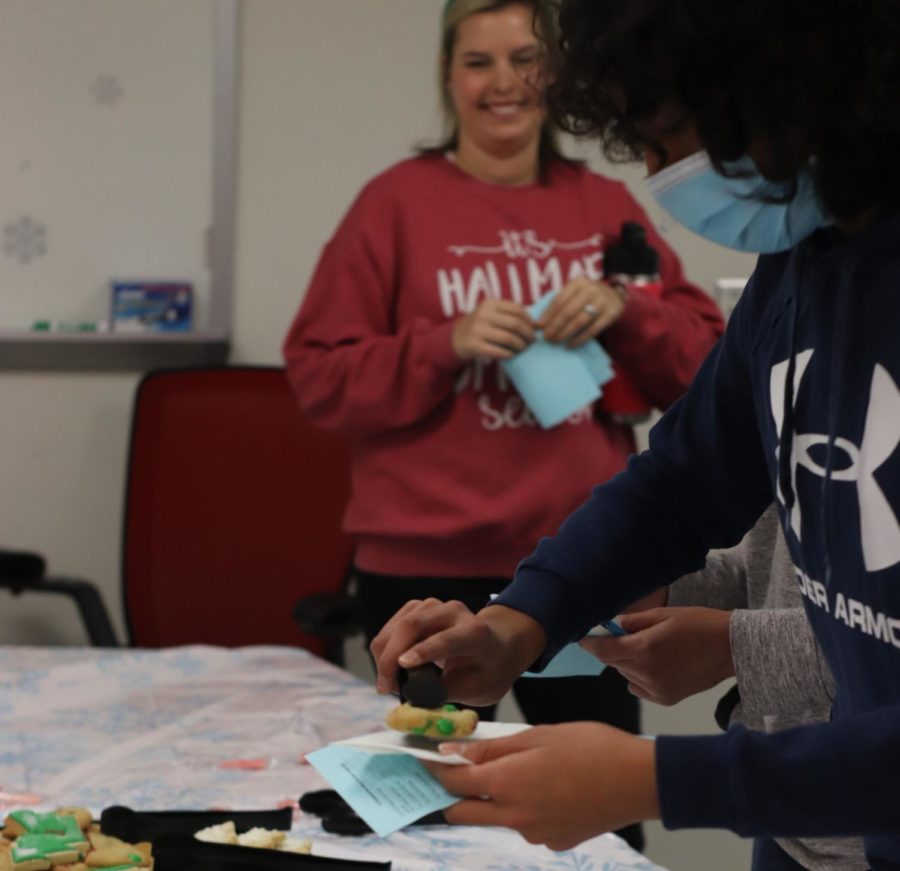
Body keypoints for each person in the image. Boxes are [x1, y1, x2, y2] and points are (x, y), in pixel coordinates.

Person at [370, 0, 900, 867]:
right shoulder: (800, 264)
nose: (659, 175)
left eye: (668, 139)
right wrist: (518, 622)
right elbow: (685, 479)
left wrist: (658, 780)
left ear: (787, 91)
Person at [283, 1, 722, 851]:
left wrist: (630, 312)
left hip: (588, 570)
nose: (503, 83)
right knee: (413, 825)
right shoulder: (394, 206)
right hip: (420, 573)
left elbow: (711, 380)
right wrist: (442, 343)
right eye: (477, 62)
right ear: (449, 79)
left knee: (598, 823)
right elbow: (318, 378)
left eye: (523, 58)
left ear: (553, 75)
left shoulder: (606, 209)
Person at [586, 506, 867, 870]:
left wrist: (731, 648)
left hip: (867, 832)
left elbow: (881, 645)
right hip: (787, 821)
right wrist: (668, 592)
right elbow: (767, 564)